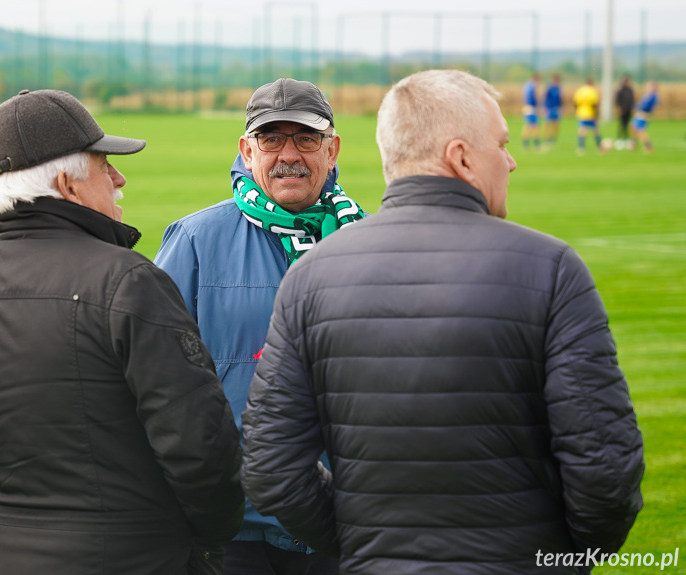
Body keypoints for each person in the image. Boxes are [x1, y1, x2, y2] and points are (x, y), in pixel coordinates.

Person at [241, 70, 644, 574]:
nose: (512, 160)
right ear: (461, 157)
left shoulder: (310, 277)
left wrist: (363, 546)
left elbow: (270, 466)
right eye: (501, 143)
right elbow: (605, 471)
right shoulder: (551, 268)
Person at [0, 89, 244, 575]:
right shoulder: (129, 282)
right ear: (67, 185)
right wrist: (210, 537)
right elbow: (199, 444)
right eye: (103, 165)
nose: (118, 178)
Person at [155, 78, 365, 575]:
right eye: (272, 139)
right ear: (247, 151)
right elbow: (155, 382)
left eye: (306, 139)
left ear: (332, 150)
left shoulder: (372, 242)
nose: (288, 154)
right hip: (234, 524)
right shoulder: (194, 242)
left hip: (347, 518)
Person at [573, 77, 606, 155]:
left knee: (582, 130)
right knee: (595, 131)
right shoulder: (592, 91)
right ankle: (599, 147)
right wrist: (596, 114)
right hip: (590, 113)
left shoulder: (580, 91)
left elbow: (575, 102)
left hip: (581, 113)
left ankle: (581, 148)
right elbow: (595, 104)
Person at [630, 81, 659, 153]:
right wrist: (636, 106)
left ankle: (648, 146)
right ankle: (634, 144)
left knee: (640, 130)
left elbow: (646, 106)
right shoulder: (648, 94)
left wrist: (638, 107)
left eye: (650, 86)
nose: (649, 87)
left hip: (644, 114)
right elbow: (641, 103)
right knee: (632, 127)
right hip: (640, 113)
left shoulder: (653, 96)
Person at [521, 72, 541, 151]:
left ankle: (526, 144)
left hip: (526, 107)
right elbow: (533, 98)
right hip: (531, 108)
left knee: (528, 126)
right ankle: (536, 145)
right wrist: (537, 107)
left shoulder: (526, 86)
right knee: (534, 127)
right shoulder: (532, 87)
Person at [615, 75, 636, 147]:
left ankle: (627, 138)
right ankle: (619, 139)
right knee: (621, 125)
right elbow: (618, 101)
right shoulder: (621, 90)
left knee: (628, 125)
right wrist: (620, 108)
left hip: (629, 110)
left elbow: (632, 100)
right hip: (623, 110)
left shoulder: (630, 90)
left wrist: (632, 109)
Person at [543, 73, 562, 147]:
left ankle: (553, 139)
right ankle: (546, 139)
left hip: (556, 109)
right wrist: (544, 108)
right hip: (549, 108)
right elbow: (545, 98)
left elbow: (560, 99)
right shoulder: (549, 88)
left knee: (556, 126)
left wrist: (560, 107)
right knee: (548, 124)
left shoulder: (558, 88)